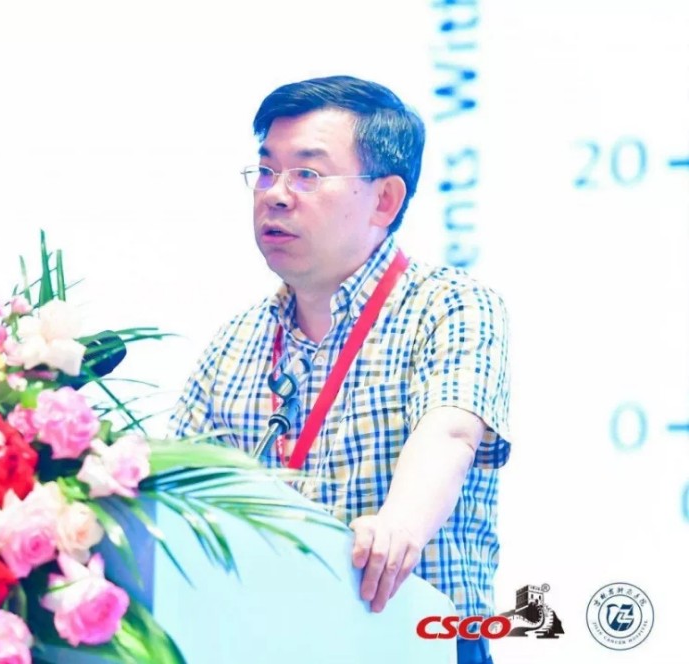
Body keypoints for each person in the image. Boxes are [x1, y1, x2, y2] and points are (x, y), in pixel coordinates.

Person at [170, 75, 510, 664]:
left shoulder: (449, 305)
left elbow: (452, 431)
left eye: (307, 174)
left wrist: (399, 525)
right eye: (266, 171)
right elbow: (180, 496)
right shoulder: (235, 343)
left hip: (413, 642)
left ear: (385, 200)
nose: (275, 194)